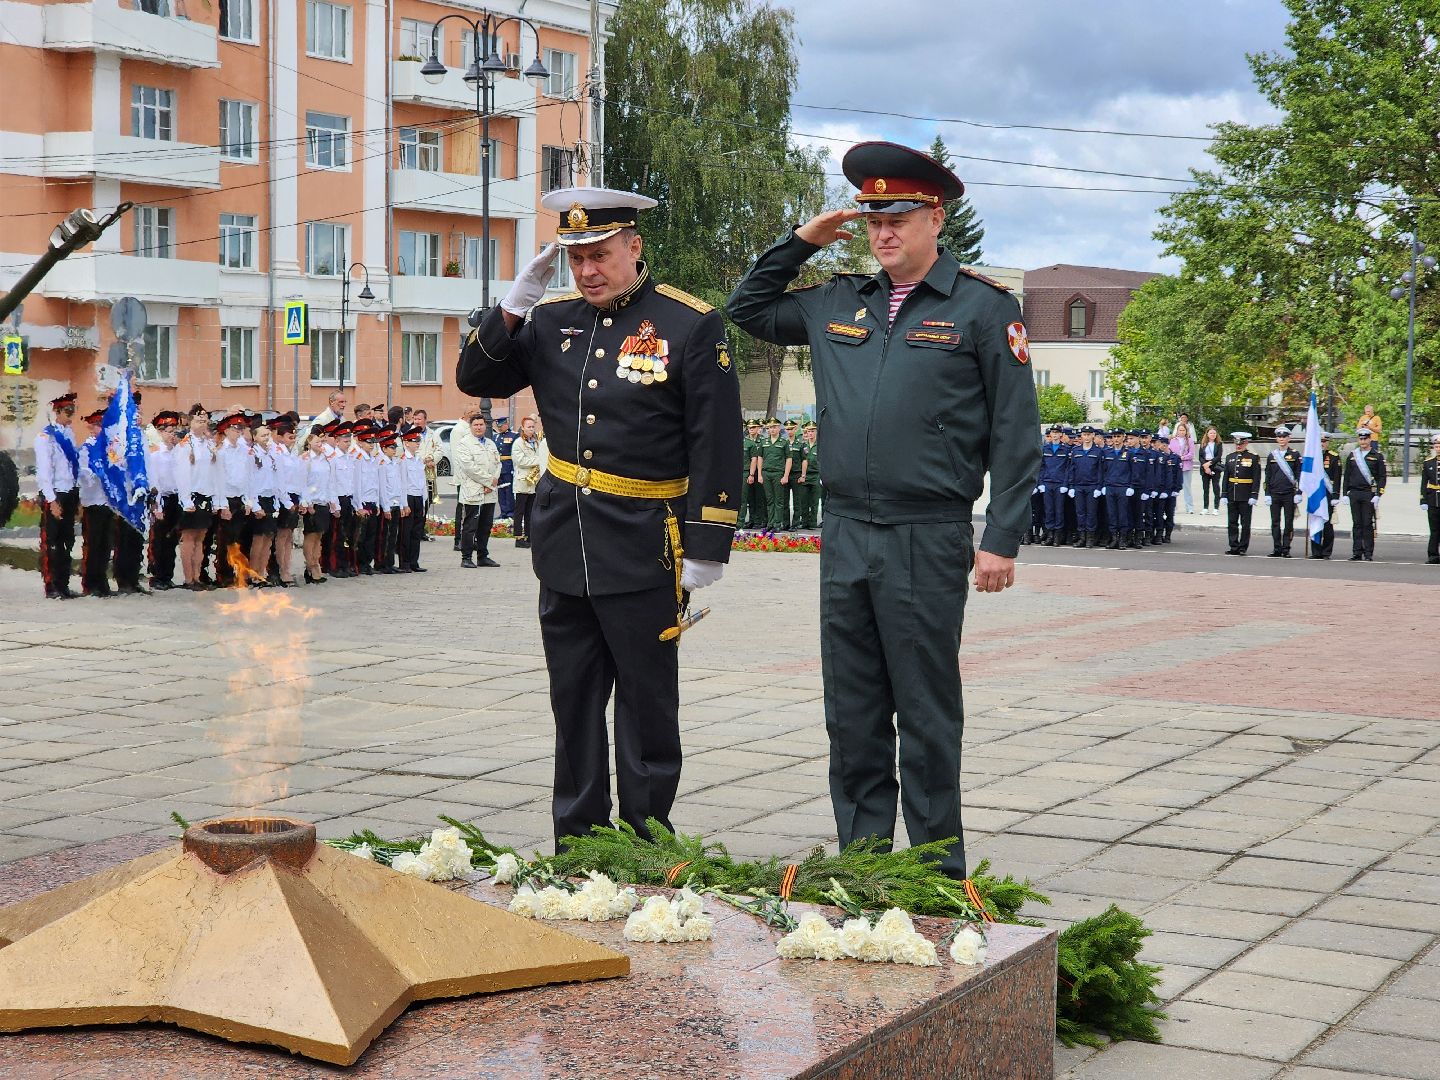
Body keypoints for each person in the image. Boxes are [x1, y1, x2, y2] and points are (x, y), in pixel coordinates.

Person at [727, 141, 1040, 879]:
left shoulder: (983, 308)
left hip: (927, 533)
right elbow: (748, 309)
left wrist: (1001, 537)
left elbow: (1016, 432)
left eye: (897, 218)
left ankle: (933, 870)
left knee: (925, 709)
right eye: (872, 220)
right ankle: (863, 863)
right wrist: (801, 242)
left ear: (935, 217)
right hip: (845, 530)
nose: (882, 233)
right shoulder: (838, 300)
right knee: (853, 707)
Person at [458, 185, 741, 847]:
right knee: (574, 699)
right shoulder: (550, 320)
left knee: (646, 704)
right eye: (576, 257)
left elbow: (716, 439)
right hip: (565, 540)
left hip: (645, 541)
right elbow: (477, 379)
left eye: (600, 255)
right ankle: (579, 838)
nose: (586, 270)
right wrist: (513, 307)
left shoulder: (688, 324)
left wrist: (708, 541)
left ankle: (645, 838)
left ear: (634, 247)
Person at [36, 392, 81, 599]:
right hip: (55, 494)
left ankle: (63, 584)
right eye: (67, 411)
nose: (71, 415)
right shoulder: (46, 437)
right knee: (52, 542)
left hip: (69, 492)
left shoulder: (69, 434)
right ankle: (51, 585)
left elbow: (73, 467)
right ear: (57, 412)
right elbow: (44, 472)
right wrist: (52, 500)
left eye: (73, 410)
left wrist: (77, 496)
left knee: (67, 541)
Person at [454, 413, 500, 568]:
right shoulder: (464, 444)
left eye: (481, 424)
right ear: (470, 427)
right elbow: (469, 468)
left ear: (485, 426)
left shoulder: (490, 444)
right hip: (473, 490)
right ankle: (466, 557)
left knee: (485, 526)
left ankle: (483, 556)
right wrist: (488, 481)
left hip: (489, 491)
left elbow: (498, 464)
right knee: (470, 526)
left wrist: (492, 481)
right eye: (475, 425)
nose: (479, 427)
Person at [145, 411, 182, 590]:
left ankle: (168, 575)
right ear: (160, 432)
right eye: (168, 431)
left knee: (172, 539)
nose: (172, 435)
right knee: (159, 539)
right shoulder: (155, 453)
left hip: (175, 498)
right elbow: (154, 481)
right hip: (162, 498)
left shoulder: (178, 452)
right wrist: (156, 505)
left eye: (174, 431)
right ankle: (157, 576)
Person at [1343, 426, 1386, 561]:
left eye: (1365, 439)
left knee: (1367, 524)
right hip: (1354, 493)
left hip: (1368, 493)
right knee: (1356, 523)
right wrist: (1344, 493)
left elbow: (1382, 477)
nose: (1362, 441)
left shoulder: (1377, 456)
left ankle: (1368, 552)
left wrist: (1378, 494)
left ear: (1370, 439)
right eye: (1360, 439)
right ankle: (1357, 552)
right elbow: (1347, 475)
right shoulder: (1352, 455)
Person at [1264, 425, 1302, 558]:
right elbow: (1268, 476)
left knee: (1288, 522)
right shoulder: (1272, 455)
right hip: (1274, 493)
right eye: (1279, 437)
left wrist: (1299, 493)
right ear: (1276, 439)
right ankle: (1277, 548)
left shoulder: (1295, 454)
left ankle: (1286, 549)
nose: (1281, 439)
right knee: (1275, 522)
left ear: (1288, 438)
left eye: (1284, 436)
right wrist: (1267, 493)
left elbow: (1299, 475)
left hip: (1289, 493)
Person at [1221, 431, 1261, 555]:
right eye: (1237, 443)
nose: (1238, 446)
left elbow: (1256, 478)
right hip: (1232, 494)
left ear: (1246, 443)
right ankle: (1233, 546)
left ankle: (1243, 547)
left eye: (1241, 444)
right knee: (1232, 522)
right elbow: (1226, 477)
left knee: (1245, 523)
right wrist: (1224, 494)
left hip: (1245, 495)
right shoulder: (1230, 457)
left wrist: (1254, 494)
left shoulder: (1253, 457)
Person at [398, 427, 428, 573]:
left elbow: (422, 480)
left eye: (418, 441)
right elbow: (402, 483)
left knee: (417, 532)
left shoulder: (418, 459)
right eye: (414, 441)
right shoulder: (403, 460)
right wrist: (404, 504)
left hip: (418, 497)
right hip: (408, 497)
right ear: (406, 443)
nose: (417, 443)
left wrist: (424, 500)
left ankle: (414, 561)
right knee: (406, 532)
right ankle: (405, 562)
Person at [511, 414, 543, 548]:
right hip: (523, 481)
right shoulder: (518, 443)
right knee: (520, 511)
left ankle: (530, 536)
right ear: (523, 428)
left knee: (530, 511)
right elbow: (521, 461)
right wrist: (538, 461)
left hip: (534, 481)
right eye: (528, 427)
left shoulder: (537, 442)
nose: (531, 429)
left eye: (533, 427)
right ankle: (518, 538)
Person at [1312, 432, 1344, 560]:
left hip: (1328, 494)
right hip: (1315, 495)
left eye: (1324, 442)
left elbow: (1337, 478)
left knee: (1327, 524)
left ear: (1328, 443)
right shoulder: (1312, 457)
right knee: (1315, 522)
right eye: (1320, 441)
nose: (1322, 444)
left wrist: (1336, 495)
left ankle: (1326, 551)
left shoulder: (1334, 457)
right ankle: (1316, 551)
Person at [757, 417, 790, 531]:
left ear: (779, 428)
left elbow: (788, 459)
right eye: (770, 427)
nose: (772, 429)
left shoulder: (784, 442)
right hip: (766, 473)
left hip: (778, 473)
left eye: (774, 427)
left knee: (779, 501)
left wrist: (786, 475)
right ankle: (770, 523)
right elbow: (760, 458)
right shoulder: (764, 442)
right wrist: (759, 474)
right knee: (769, 500)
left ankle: (777, 524)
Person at [793, 420, 822, 530]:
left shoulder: (820, 445)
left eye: (812, 431)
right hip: (804, 475)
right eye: (809, 431)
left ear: (816, 432)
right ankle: (804, 522)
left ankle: (812, 523)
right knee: (803, 501)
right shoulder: (803, 445)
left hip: (816, 475)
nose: (810, 433)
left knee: (814, 501)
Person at [492, 415, 518, 521]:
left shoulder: (514, 436)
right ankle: (503, 512)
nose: (499, 428)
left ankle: (510, 513)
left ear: (506, 424)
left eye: (501, 426)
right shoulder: (496, 437)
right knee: (501, 491)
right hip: (499, 467)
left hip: (509, 466)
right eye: (498, 426)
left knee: (509, 491)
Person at [1169, 420, 1196, 513]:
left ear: (1186, 431)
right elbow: (1171, 452)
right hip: (1175, 466)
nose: (1181, 432)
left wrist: (1183, 457)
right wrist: (1176, 458)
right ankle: (1173, 507)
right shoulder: (1173, 440)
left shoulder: (1190, 441)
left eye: (1183, 430)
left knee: (1187, 487)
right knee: (1173, 486)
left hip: (1186, 466)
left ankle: (1189, 507)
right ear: (1177, 431)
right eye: (1180, 430)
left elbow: (1191, 454)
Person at [1197, 427, 1224, 514]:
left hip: (1215, 466)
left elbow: (1218, 456)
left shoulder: (1219, 444)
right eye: (1211, 433)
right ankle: (1205, 508)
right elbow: (1200, 456)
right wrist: (1205, 466)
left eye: (1214, 433)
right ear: (1207, 434)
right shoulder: (1203, 444)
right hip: (1205, 466)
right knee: (1205, 488)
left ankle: (1216, 508)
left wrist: (1210, 463)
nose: (1213, 435)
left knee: (1216, 488)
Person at [1423, 433, 1440, 564]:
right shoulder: (1428, 462)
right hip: (1433, 499)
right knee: (1434, 529)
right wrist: (1423, 499)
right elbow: (1424, 483)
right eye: (1436, 445)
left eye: (1439, 445)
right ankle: (1433, 555)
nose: (1438, 448)